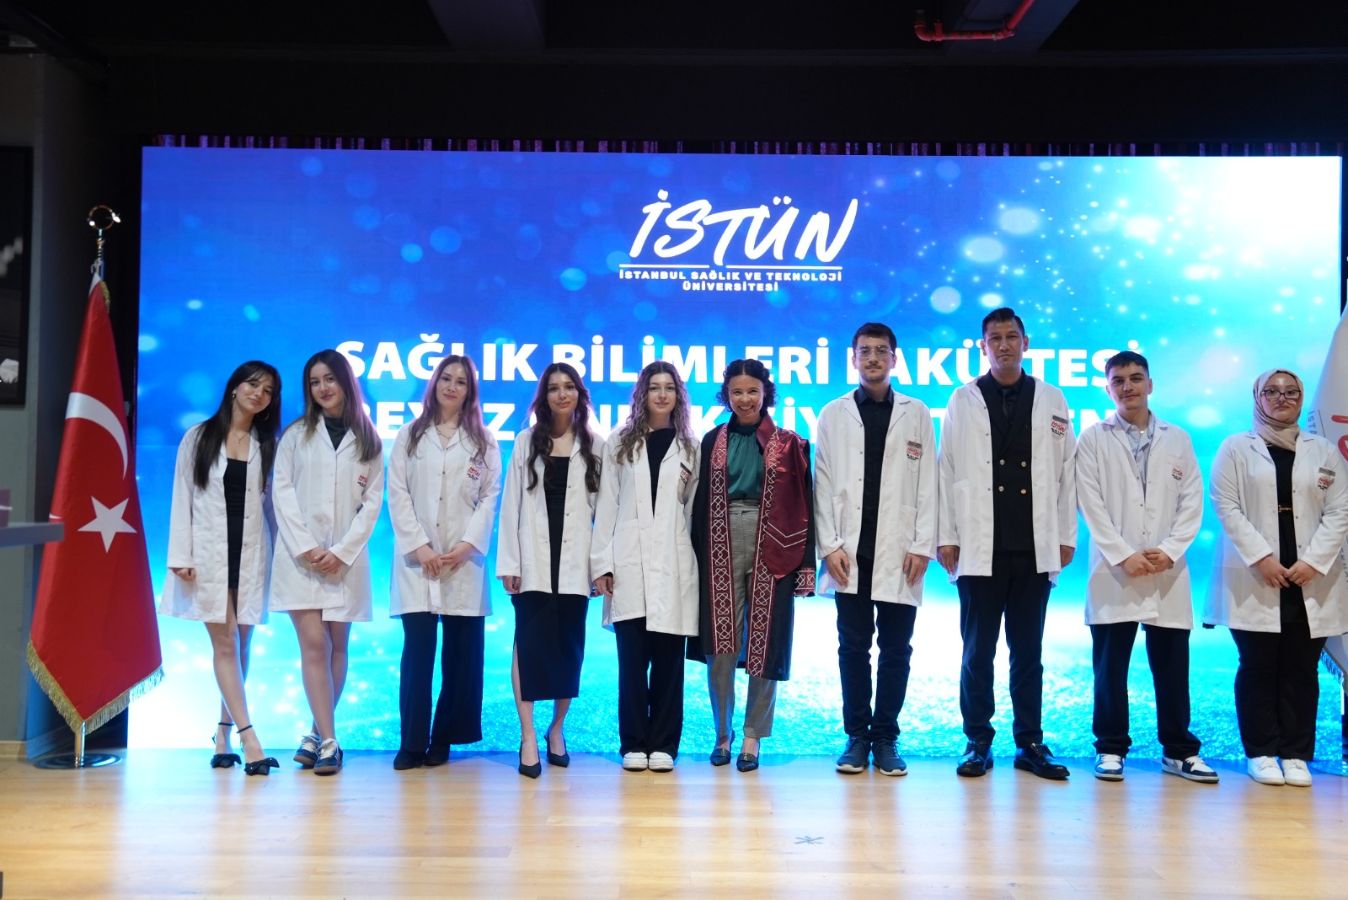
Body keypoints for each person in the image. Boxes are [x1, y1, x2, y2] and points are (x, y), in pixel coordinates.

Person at [937, 307, 1077, 780]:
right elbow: (946, 469)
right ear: (983, 347)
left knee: (1028, 652)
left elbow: (1066, 472)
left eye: (1011, 336)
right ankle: (977, 740)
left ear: (1025, 342)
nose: (1003, 344)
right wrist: (947, 536)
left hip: (1033, 545)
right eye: (994, 338)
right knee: (977, 652)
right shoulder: (963, 399)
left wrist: (1065, 535)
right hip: (979, 546)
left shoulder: (1051, 398)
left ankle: (1030, 742)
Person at [1075, 351, 1217, 783]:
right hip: (1114, 570)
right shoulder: (1093, 438)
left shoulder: (1178, 439)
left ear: (1150, 384)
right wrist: (1123, 554)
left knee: (1172, 668)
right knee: (1110, 669)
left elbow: (1192, 499)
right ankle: (1110, 747)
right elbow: (1089, 502)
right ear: (1108, 389)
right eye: (1118, 380)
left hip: (1165, 570)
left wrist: (1171, 549)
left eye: (1135, 378)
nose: (1128, 387)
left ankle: (1178, 750)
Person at [1206, 368, 1348, 787]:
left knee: (1301, 669)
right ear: (1258, 397)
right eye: (1271, 391)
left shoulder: (1323, 450)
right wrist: (1261, 557)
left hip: (1310, 575)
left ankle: (1296, 754)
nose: (1281, 397)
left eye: (1290, 391)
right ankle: (1262, 752)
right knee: (1258, 666)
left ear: (1301, 399)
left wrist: (1314, 562)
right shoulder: (1236, 447)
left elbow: (1340, 510)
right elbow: (1226, 505)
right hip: (1257, 574)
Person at [815, 323, 936, 777]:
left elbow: (928, 483)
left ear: (894, 359)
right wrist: (829, 545)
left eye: (880, 351)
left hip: (901, 551)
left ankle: (885, 737)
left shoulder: (916, 412)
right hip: (850, 550)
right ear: (853, 359)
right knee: (852, 647)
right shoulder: (834, 413)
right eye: (864, 351)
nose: (872, 358)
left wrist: (922, 545)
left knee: (897, 648)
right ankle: (856, 737)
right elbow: (823, 482)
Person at [690, 358, 815, 773]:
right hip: (720, 537)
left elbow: (804, 506)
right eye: (736, 392)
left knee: (765, 643)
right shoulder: (712, 440)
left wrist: (806, 565)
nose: (744, 399)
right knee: (721, 644)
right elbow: (698, 505)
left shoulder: (790, 443)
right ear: (726, 395)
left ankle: (752, 736)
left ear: (766, 394)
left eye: (752, 391)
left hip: (773, 542)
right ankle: (721, 733)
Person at [161, 360, 283, 776]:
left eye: (268, 390)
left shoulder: (268, 444)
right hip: (208, 554)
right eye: (253, 384)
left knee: (241, 644)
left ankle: (222, 734)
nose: (258, 393)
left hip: (250, 554)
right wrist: (181, 554)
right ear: (234, 387)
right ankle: (251, 740)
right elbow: (182, 496)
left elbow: (273, 509)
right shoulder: (198, 437)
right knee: (226, 644)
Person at [270, 349, 384, 776]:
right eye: (315, 382)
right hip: (300, 560)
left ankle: (315, 734)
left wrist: (341, 551)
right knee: (315, 646)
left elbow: (372, 503)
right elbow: (282, 492)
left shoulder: (368, 438)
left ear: (345, 382)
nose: (323, 388)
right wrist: (306, 547)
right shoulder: (295, 435)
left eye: (329, 379)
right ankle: (332, 742)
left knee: (338, 647)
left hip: (344, 562)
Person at [387, 355, 501, 770]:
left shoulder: (484, 440)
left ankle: (443, 739)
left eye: (461, 382)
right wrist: (419, 547)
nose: (452, 387)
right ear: (434, 384)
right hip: (418, 563)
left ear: (470, 392)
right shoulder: (410, 435)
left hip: (462, 562)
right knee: (417, 656)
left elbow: (490, 497)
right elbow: (397, 492)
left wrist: (468, 545)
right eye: (446, 379)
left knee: (460, 658)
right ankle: (412, 743)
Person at [497, 362, 604, 778]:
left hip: (576, 565)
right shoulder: (526, 442)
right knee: (527, 646)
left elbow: (603, 514)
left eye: (569, 387)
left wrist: (600, 567)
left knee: (568, 651)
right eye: (554, 388)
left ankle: (556, 729)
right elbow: (511, 506)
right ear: (544, 397)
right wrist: (509, 562)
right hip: (532, 563)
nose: (562, 394)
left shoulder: (595, 446)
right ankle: (527, 736)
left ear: (579, 395)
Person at [592, 361, 700, 773]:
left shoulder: (691, 447)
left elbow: (691, 512)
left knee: (670, 665)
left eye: (669, 387)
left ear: (678, 396)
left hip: (674, 565)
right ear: (642, 393)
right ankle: (634, 743)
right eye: (654, 387)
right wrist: (602, 564)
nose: (661, 394)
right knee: (632, 664)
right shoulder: (619, 443)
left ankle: (665, 744)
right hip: (628, 564)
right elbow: (607, 506)